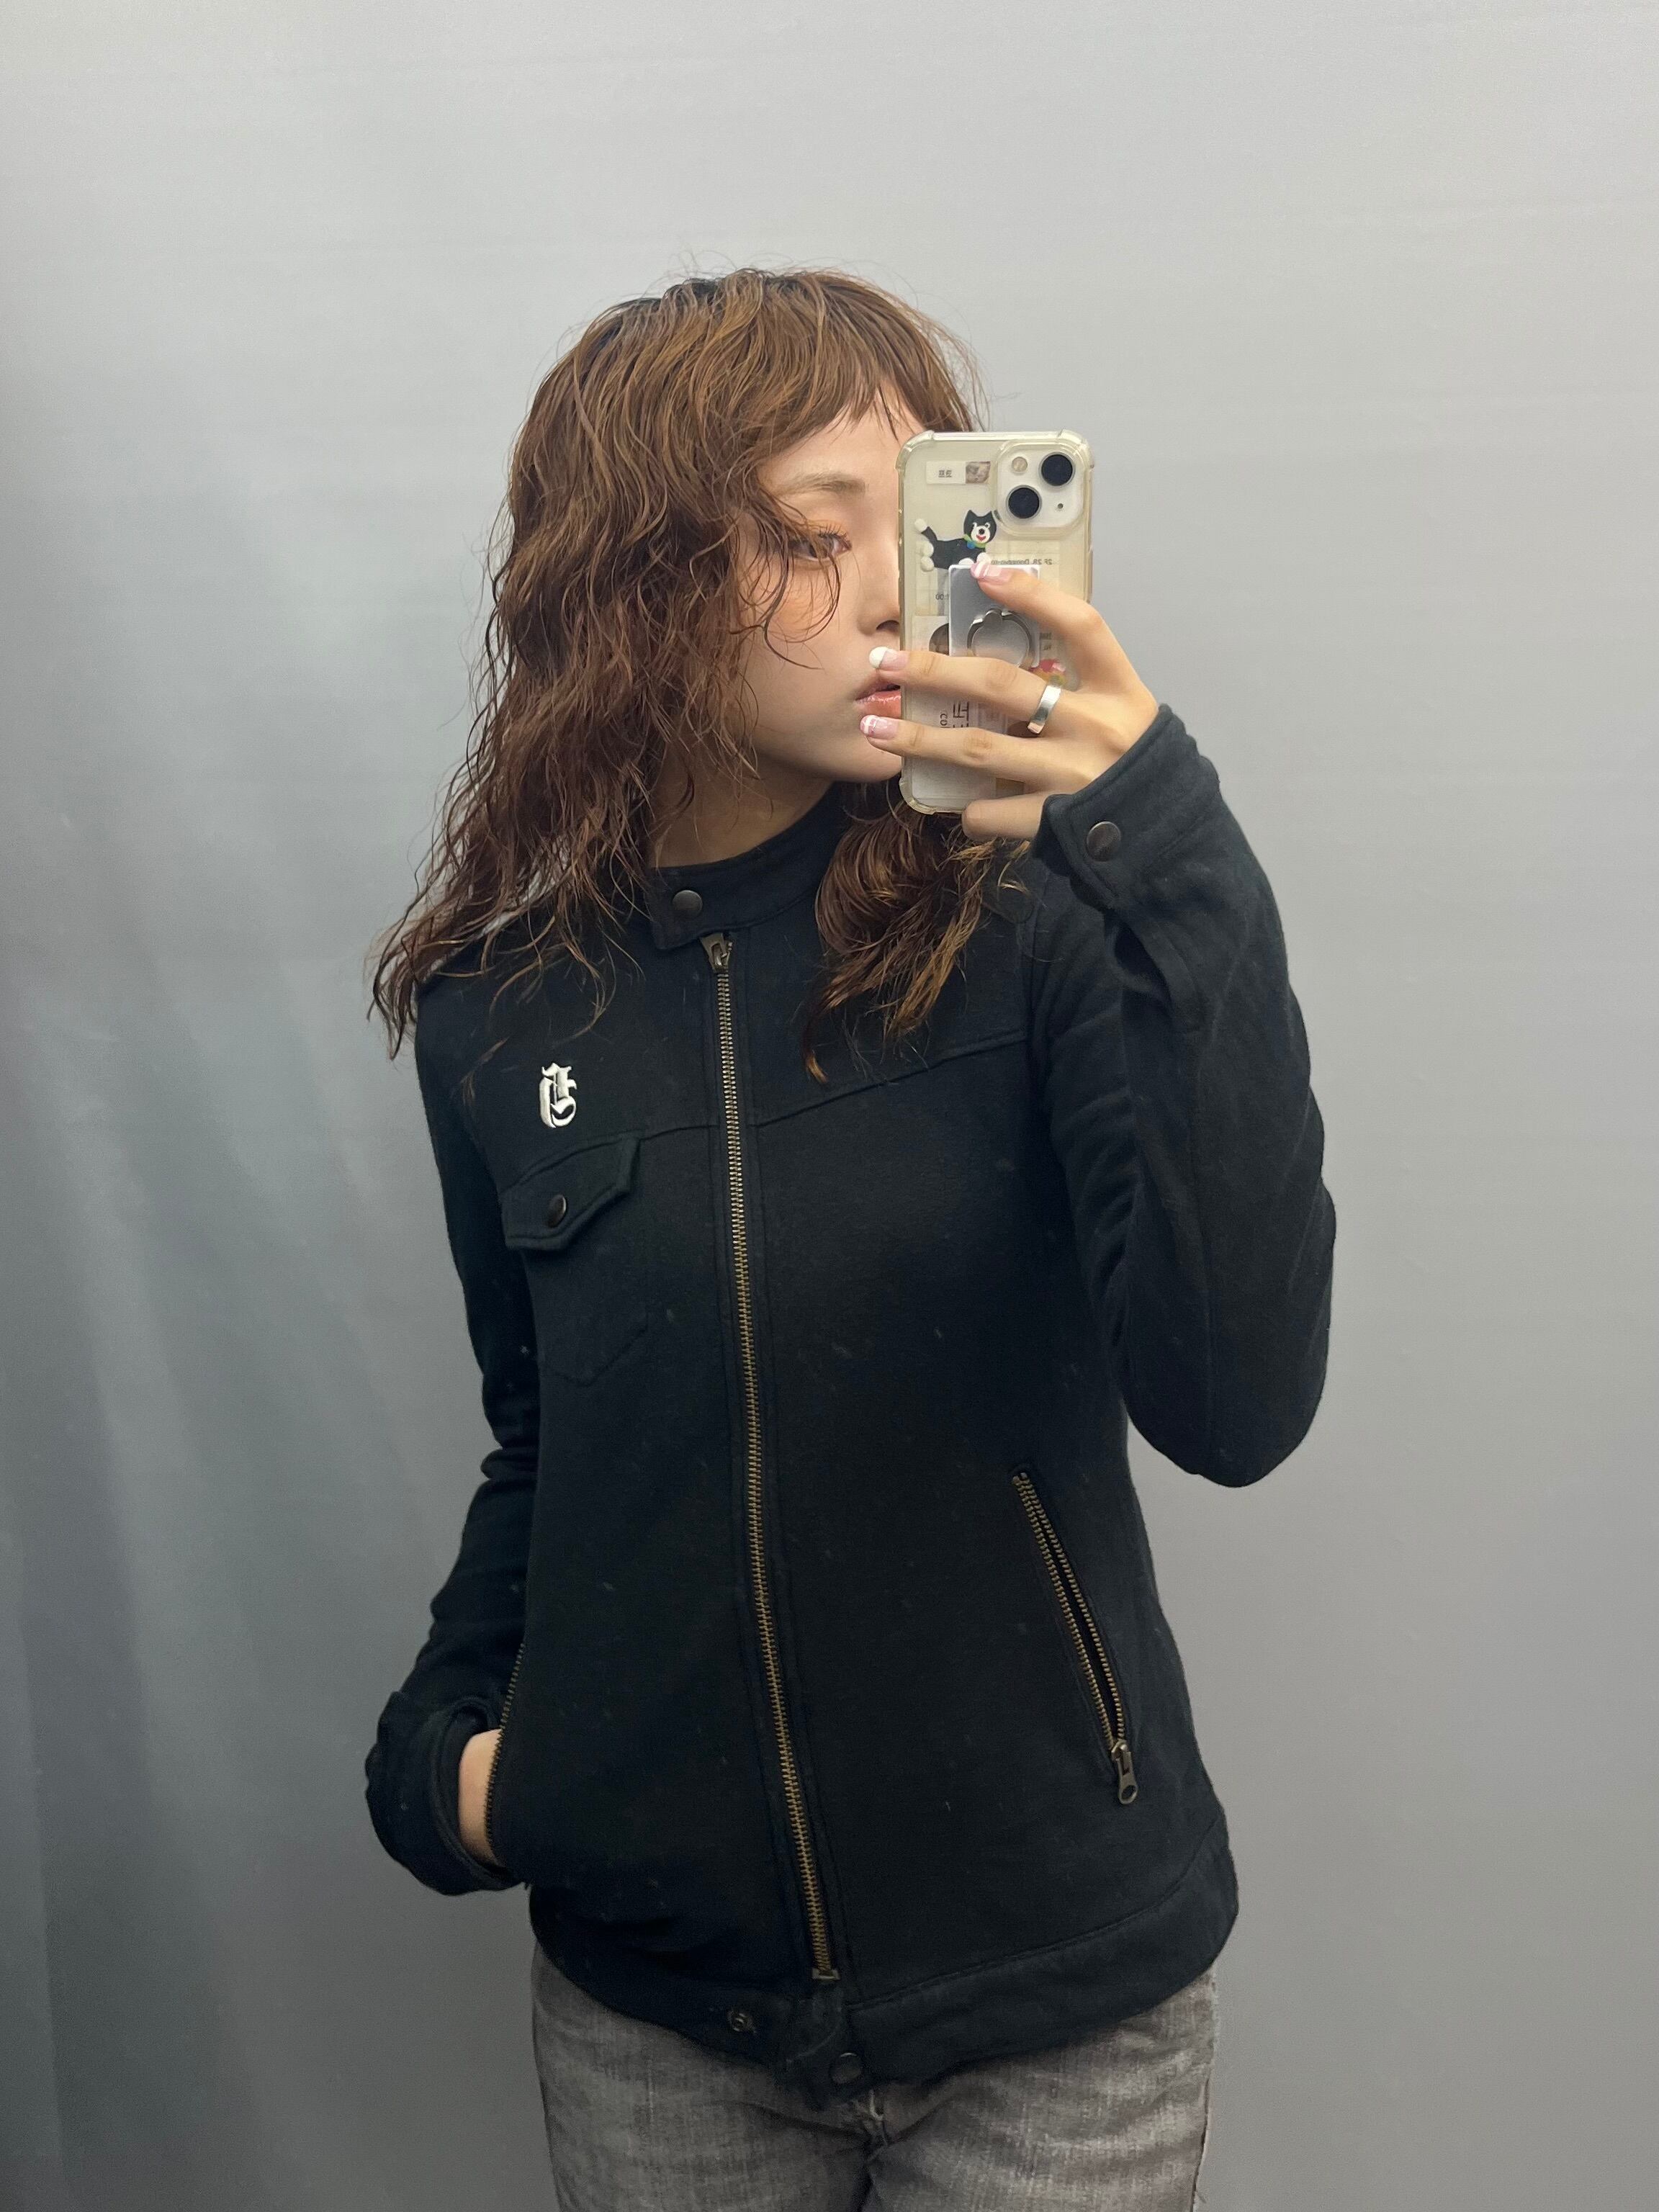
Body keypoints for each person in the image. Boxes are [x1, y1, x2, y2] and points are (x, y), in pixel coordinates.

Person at [363, 265, 1336, 2211]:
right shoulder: (506, 1013)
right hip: (663, 2031)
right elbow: (550, 1442)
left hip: (1056, 2016)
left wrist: (1173, 856)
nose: (900, 589)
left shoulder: (1041, 931)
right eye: (816, 534)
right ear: (633, 584)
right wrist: (462, 1758)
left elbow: (1236, 1403)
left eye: (919, 523)